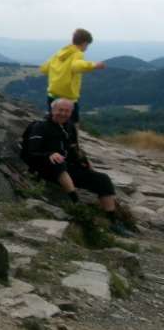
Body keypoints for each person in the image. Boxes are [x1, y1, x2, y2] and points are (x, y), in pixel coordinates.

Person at [21, 98, 133, 237]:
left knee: (102, 179)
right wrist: (49, 154)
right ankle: (76, 203)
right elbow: (32, 151)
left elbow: (75, 149)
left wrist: (86, 163)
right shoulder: (40, 126)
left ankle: (113, 221)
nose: (63, 113)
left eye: (67, 111)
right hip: (45, 167)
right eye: (60, 110)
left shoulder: (69, 127)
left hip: (69, 167)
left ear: (71, 113)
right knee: (58, 161)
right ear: (52, 110)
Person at [38, 28, 105, 125]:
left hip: (52, 95)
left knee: (53, 120)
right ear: (84, 43)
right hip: (68, 97)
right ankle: (72, 140)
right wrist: (94, 65)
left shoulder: (59, 54)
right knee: (73, 123)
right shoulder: (78, 53)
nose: (86, 48)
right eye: (87, 45)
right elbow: (76, 66)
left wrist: (58, 72)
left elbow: (44, 69)